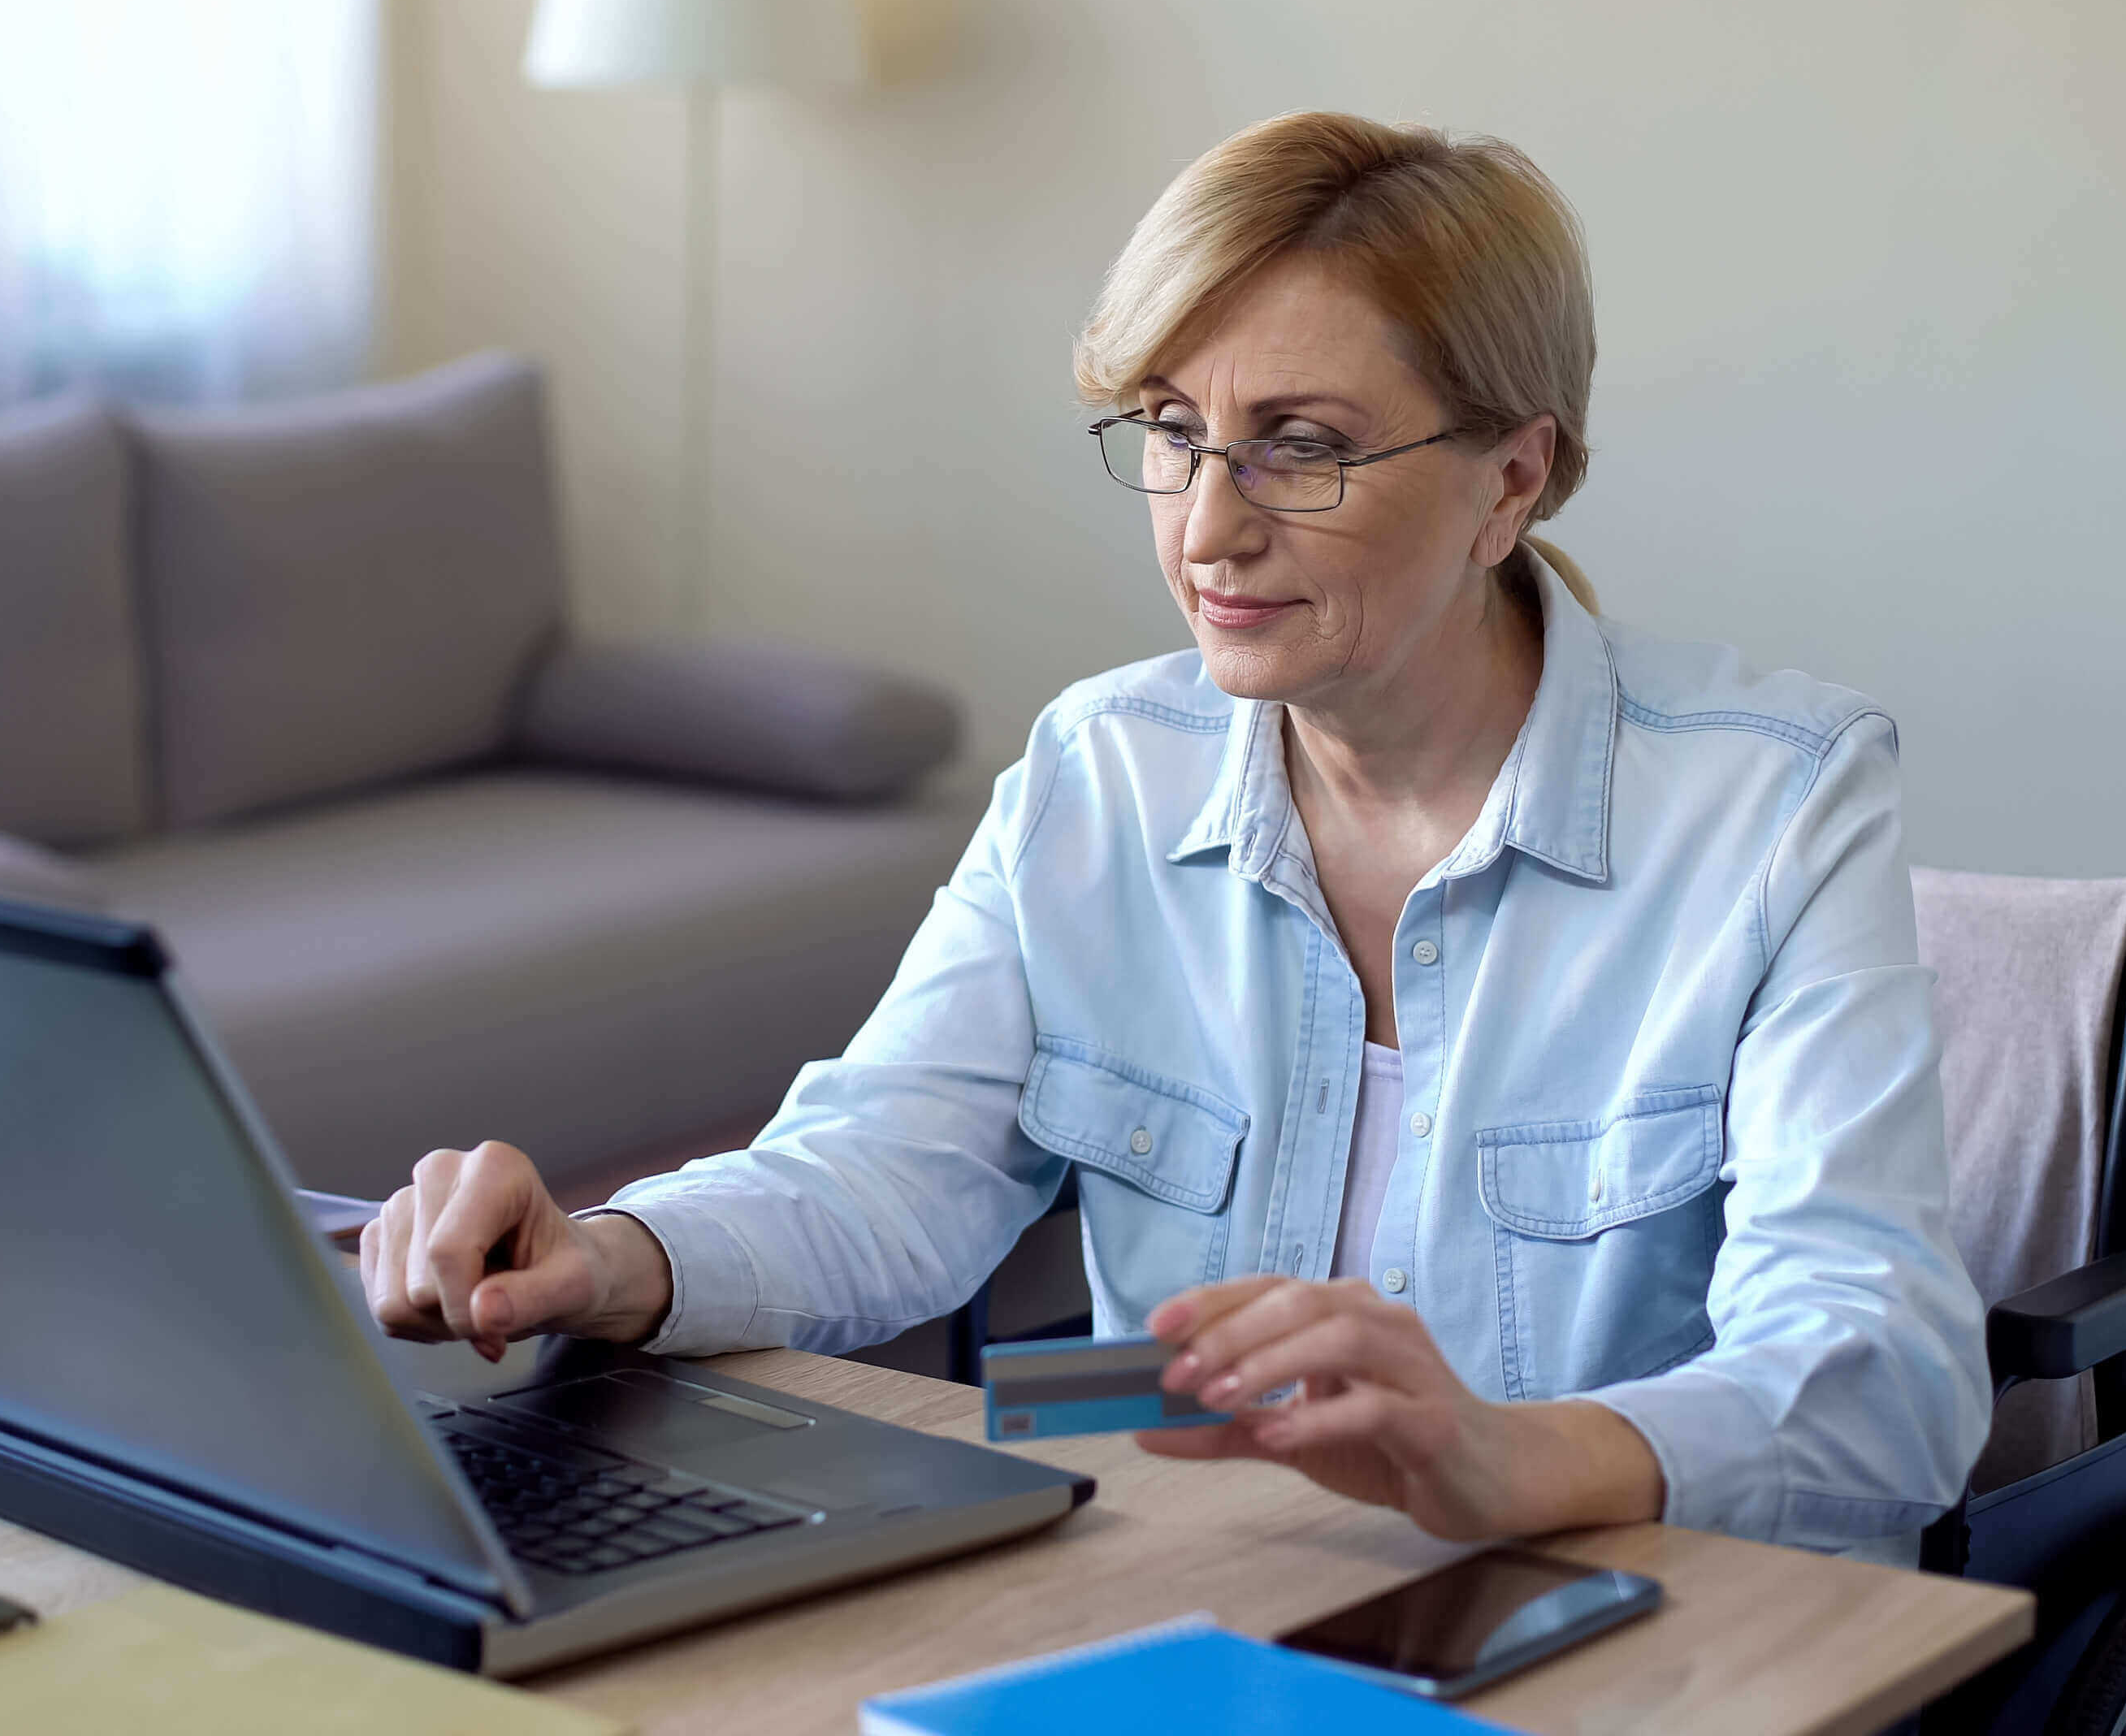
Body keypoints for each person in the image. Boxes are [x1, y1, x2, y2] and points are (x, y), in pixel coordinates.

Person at [360, 111, 1989, 1561]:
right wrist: (608, 1255)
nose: (1208, 528)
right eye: (1168, 429)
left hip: (1632, 1612)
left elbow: (1885, 1382)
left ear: (1512, 478)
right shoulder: (1102, 769)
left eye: (1303, 445)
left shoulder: (1777, 802)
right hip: (1196, 1581)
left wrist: (1508, 1461)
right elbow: (886, 1165)